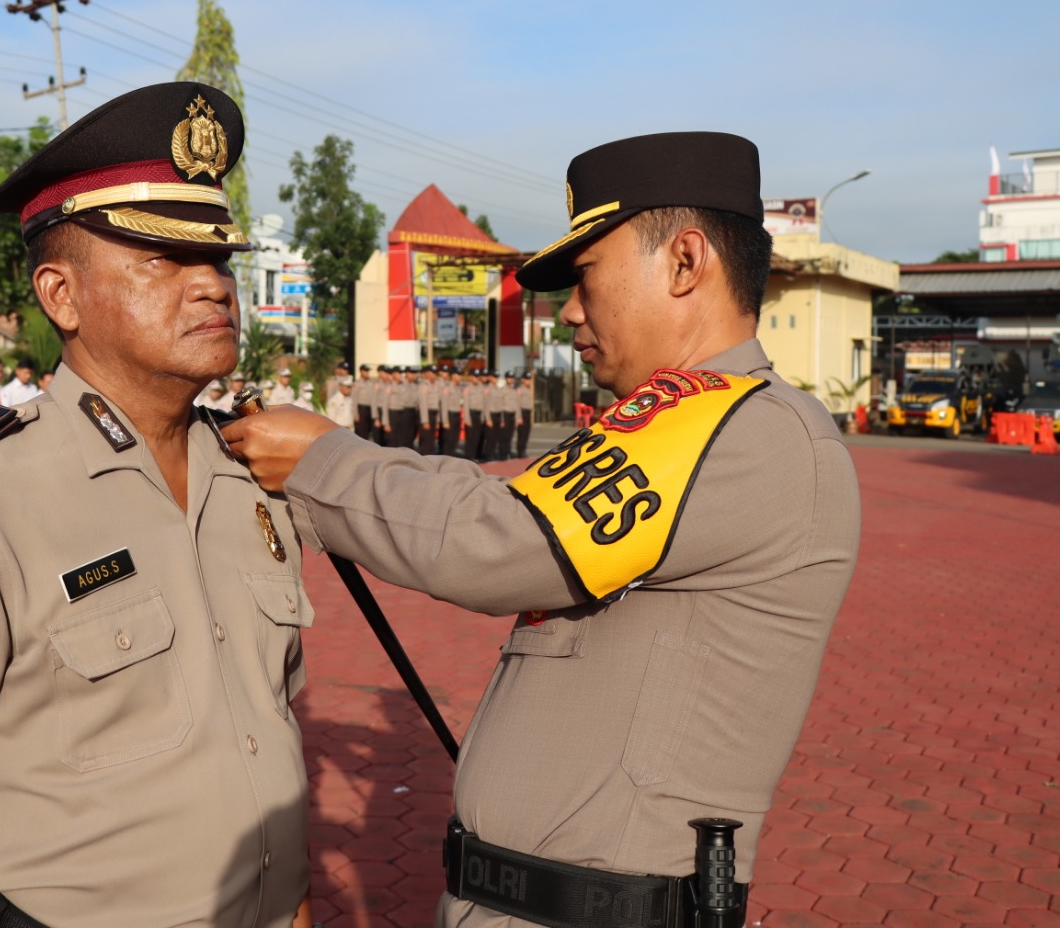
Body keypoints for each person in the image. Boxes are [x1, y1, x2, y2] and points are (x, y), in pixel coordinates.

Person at [222, 131, 862, 928]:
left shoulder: (742, 428)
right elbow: (511, 498)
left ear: (686, 263)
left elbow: (496, 538)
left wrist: (323, 461)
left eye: (588, 276)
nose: (571, 313)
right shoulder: (682, 424)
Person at [0, 82, 313, 928]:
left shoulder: (251, 476)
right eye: (165, 260)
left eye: (219, 260)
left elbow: (268, 748)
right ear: (61, 296)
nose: (212, 286)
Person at [514, 372, 535, 459]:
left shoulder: (529, 389)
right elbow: (517, 404)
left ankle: (523, 450)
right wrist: (518, 417)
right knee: (522, 433)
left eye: (529, 379)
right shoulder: (520, 390)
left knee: (526, 432)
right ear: (522, 380)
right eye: (526, 379)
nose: (528, 381)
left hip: (527, 413)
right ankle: (520, 451)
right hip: (522, 412)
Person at [352, 364, 374, 439]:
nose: (367, 373)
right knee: (361, 431)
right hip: (361, 409)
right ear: (361, 372)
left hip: (369, 409)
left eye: (368, 371)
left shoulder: (370, 383)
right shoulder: (357, 384)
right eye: (365, 371)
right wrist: (355, 414)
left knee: (367, 430)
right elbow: (354, 399)